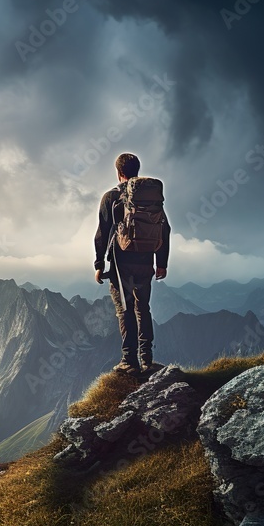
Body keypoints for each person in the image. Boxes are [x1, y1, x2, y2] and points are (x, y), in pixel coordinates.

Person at [93, 153, 171, 376]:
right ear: (137, 171)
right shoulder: (151, 199)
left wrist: (99, 263)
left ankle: (129, 360)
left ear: (119, 172)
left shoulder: (111, 197)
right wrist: (161, 263)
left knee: (124, 310)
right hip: (146, 259)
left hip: (121, 262)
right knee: (143, 308)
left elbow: (102, 232)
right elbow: (165, 229)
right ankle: (147, 359)